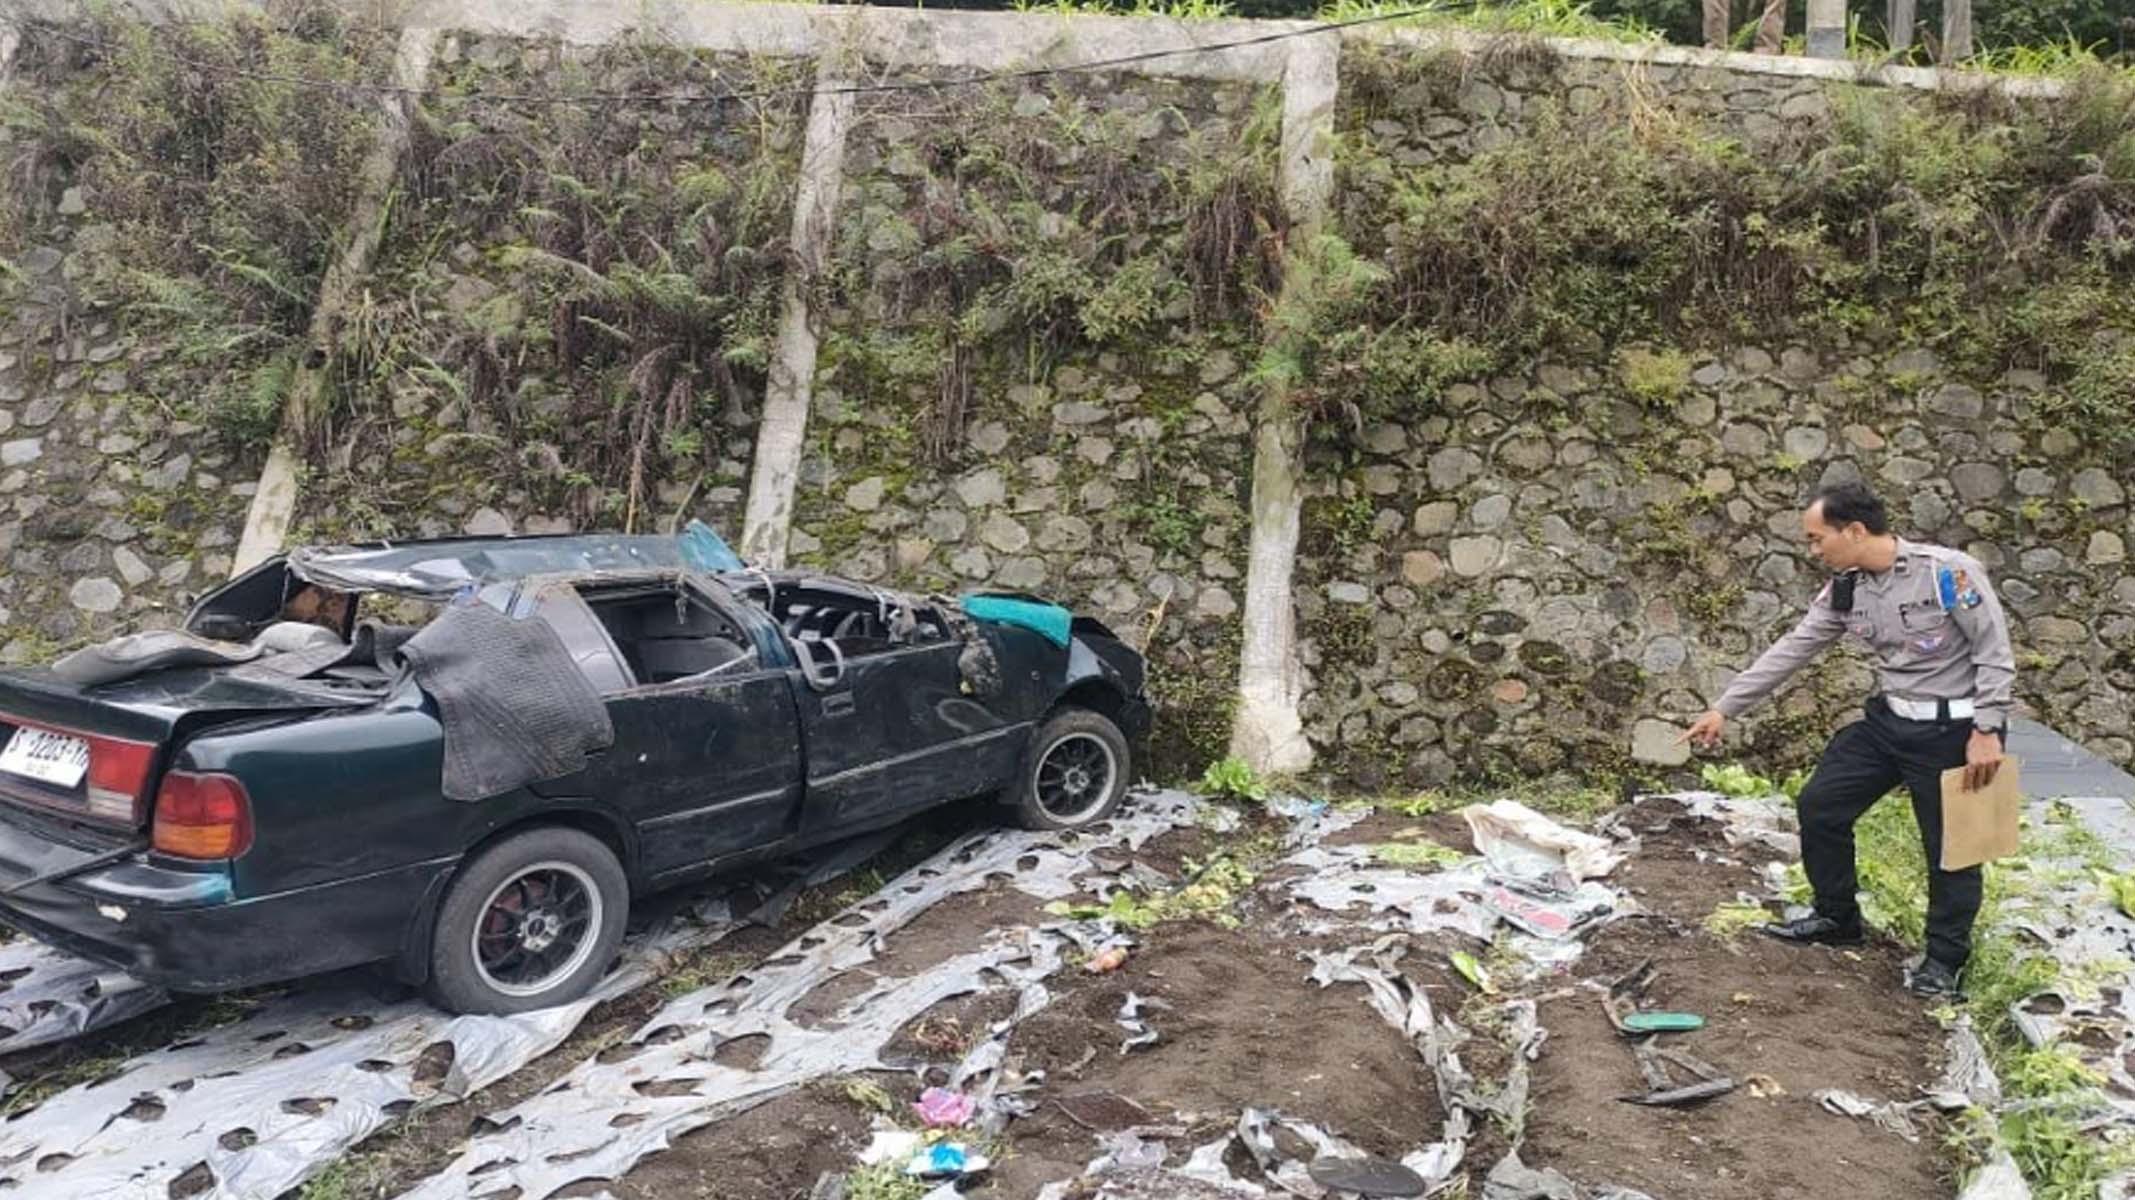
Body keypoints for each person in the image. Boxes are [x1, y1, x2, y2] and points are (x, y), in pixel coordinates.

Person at [1681, 481, 2015, 999]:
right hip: (1888, 723)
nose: (1814, 550)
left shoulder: (1947, 572)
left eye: (1818, 539)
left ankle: (1944, 961)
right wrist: (1725, 707)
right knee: (1821, 804)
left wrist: (1988, 730)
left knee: (1955, 849)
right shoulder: (1846, 588)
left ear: (1855, 530)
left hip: (1959, 732)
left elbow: (1995, 653)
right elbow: (1794, 647)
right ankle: (1837, 918)